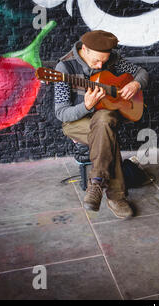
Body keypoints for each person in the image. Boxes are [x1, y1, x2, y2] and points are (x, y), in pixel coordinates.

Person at [54, 30, 148, 218]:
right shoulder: (64, 68)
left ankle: (96, 182)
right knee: (106, 133)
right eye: (97, 61)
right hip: (76, 122)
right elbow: (62, 113)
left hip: (105, 116)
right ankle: (115, 196)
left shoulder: (112, 58)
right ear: (85, 49)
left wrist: (135, 85)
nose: (100, 65)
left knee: (104, 120)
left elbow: (141, 72)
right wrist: (87, 106)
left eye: (104, 61)